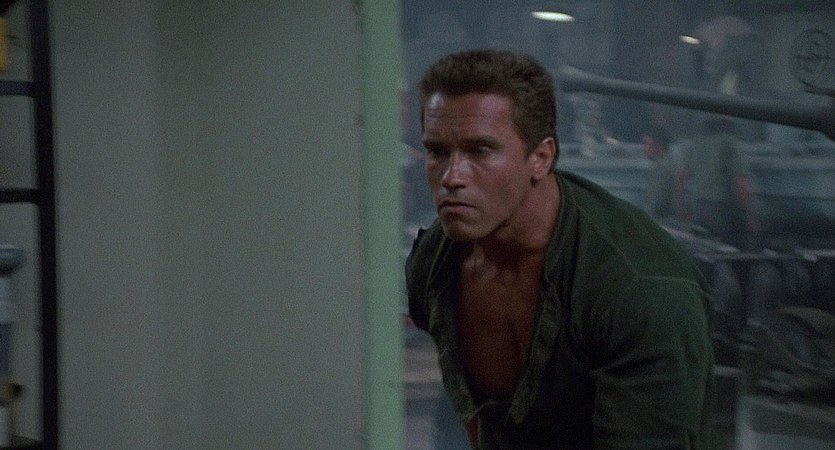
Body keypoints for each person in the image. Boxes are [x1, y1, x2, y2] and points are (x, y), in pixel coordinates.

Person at [405, 49, 715, 449]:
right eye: (438, 152)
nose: (451, 177)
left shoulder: (638, 289)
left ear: (541, 157)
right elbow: (472, 412)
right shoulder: (435, 264)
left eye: (480, 151)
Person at [675, 116, 759, 249]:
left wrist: (682, 209)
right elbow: (740, 181)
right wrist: (750, 215)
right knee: (731, 252)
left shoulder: (695, 144)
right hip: (723, 211)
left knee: (702, 251)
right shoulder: (730, 143)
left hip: (698, 210)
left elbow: (680, 179)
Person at [641, 125, 678, 219]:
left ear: (658, 146)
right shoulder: (668, 163)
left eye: (647, 143)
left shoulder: (662, 168)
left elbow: (655, 200)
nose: (644, 148)